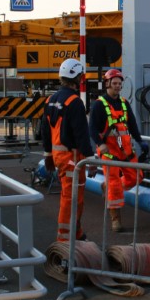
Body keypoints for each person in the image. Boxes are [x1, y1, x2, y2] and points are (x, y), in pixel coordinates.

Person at [41, 58, 95, 242]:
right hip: (71, 158)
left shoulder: (50, 100)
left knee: (70, 196)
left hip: (58, 156)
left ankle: (76, 233)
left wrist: (47, 154)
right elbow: (81, 134)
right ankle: (65, 240)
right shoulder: (74, 102)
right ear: (77, 77)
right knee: (72, 199)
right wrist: (90, 160)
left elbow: (45, 130)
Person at [89, 68, 148, 232]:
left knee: (137, 177)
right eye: (114, 83)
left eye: (119, 84)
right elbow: (92, 128)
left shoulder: (124, 103)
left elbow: (132, 125)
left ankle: (107, 188)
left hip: (126, 150)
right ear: (107, 84)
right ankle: (116, 220)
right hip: (109, 152)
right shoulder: (99, 105)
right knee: (114, 184)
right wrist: (100, 144)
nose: (117, 86)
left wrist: (140, 140)